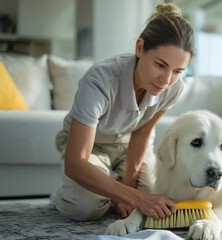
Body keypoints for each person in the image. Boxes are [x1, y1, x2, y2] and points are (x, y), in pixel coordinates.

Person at [51, 2, 194, 221]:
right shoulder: (99, 81)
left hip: (128, 147)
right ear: (139, 48)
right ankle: (64, 196)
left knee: (156, 195)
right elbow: (76, 162)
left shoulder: (175, 88)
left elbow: (142, 133)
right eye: (160, 65)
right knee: (85, 207)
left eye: (177, 71)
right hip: (93, 147)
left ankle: (113, 185)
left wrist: (129, 191)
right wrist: (137, 198)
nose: (166, 80)